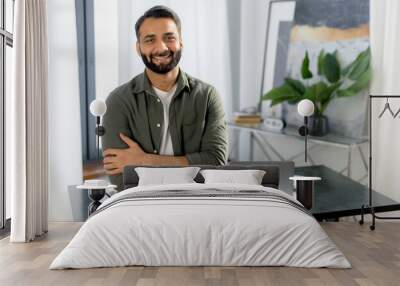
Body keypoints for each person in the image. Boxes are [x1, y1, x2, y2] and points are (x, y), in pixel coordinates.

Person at [102, 5, 228, 191]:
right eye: (150, 40)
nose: (161, 48)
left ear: (181, 42)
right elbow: (121, 178)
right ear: (138, 48)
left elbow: (216, 164)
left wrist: (146, 161)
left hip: (197, 201)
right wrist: (187, 166)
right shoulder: (118, 101)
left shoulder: (208, 97)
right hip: (139, 205)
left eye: (169, 38)